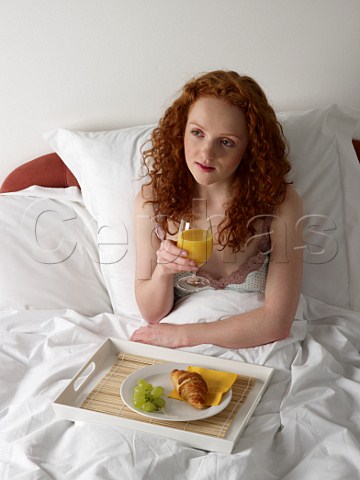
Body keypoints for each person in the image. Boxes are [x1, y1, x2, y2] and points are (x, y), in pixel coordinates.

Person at [130, 70, 303, 349]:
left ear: (250, 149)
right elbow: (151, 313)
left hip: (259, 347)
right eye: (197, 133)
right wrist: (163, 270)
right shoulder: (152, 202)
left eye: (226, 142)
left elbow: (278, 322)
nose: (206, 153)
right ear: (180, 131)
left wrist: (182, 336)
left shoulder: (280, 202)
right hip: (177, 353)